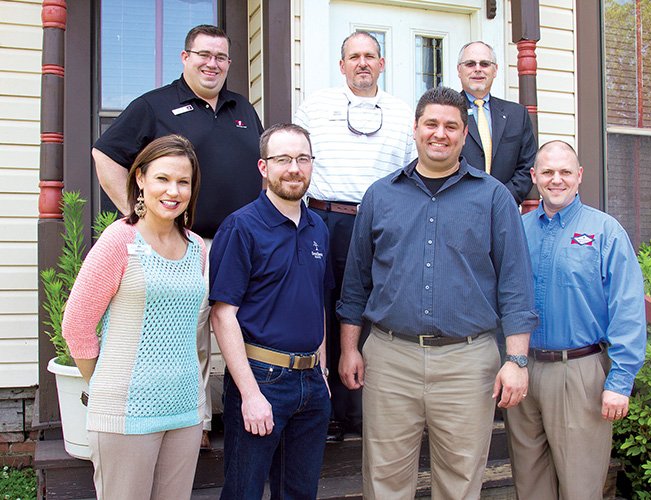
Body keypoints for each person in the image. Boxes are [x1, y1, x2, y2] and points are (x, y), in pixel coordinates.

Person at [337, 87, 538, 499]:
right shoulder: (380, 195)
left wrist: (516, 359)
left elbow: (516, 285)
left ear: (465, 135)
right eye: (431, 124)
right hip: (391, 358)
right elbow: (356, 282)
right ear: (415, 129)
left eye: (451, 126)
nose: (439, 134)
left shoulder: (493, 197)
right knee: (384, 480)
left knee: (460, 482)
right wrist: (349, 348)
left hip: (468, 361)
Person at [92, 24, 264, 447]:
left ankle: (253, 411)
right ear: (185, 57)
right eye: (204, 55)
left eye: (221, 57)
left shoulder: (242, 107)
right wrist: (142, 217)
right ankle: (196, 423)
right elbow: (106, 154)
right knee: (189, 333)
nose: (213, 64)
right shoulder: (155, 105)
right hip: (188, 243)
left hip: (240, 242)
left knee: (244, 326)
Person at [61, 135, 206, 499]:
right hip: (126, 414)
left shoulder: (197, 249)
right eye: (163, 178)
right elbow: (77, 324)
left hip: (185, 409)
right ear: (140, 178)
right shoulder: (119, 242)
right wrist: (107, 381)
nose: (173, 190)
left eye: (183, 182)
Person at [507, 141, 647, 499]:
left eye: (565, 172)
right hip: (524, 370)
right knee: (530, 484)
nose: (557, 180)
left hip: (580, 372)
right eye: (548, 172)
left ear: (579, 176)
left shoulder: (605, 232)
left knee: (580, 487)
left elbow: (627, 308)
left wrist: (620, 379)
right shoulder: (517, 231)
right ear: (534, 177)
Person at [293, 31, 415, 438]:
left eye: (370, 56)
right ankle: (322, 409)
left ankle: (360, 411)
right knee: (322, 309)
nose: (362, 63)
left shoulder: (402, 112)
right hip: (326, 220)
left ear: (382, 64)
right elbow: (299, 164)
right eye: (354, 56)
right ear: (342, 65)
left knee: (371, 311)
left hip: (383, 223)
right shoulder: (315, 107)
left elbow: (414, 175)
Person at [209, 123, 332, 499]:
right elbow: (222, 314)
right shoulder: (242, 227)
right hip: (261, 378)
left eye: (302, 158)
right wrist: (249, 394)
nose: (294, 168)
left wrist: (322, 372)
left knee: (299, 493)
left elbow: (317, 303)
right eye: (283, 159)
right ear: (264, 167)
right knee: (244, 492)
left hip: (311, 382)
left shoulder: (318, 228)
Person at [457, 41, 536, 204]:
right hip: (458, 209)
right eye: (470, 64)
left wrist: (501, 199)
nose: (477, 69)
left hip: (504, 210)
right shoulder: (447, 112)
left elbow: (528, 166)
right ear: (459, 70)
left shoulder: (517, 115)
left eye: (485, 64)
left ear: (495, 70)